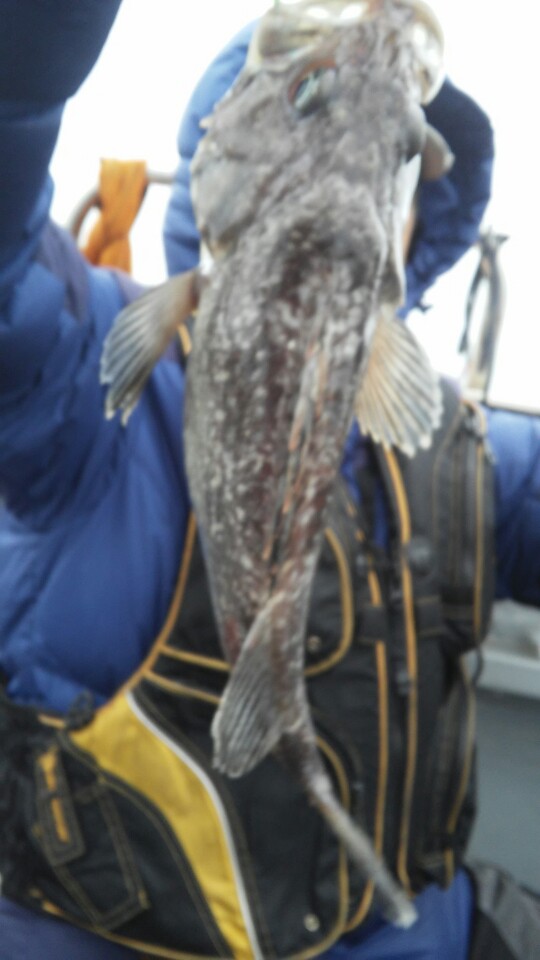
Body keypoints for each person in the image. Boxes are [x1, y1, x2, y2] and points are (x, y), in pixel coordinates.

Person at [0, 3, 539, 959]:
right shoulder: (81, 381)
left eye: (397, 148)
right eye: (312, 97)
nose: (352, 164)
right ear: (224, 136)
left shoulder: (471, 453)